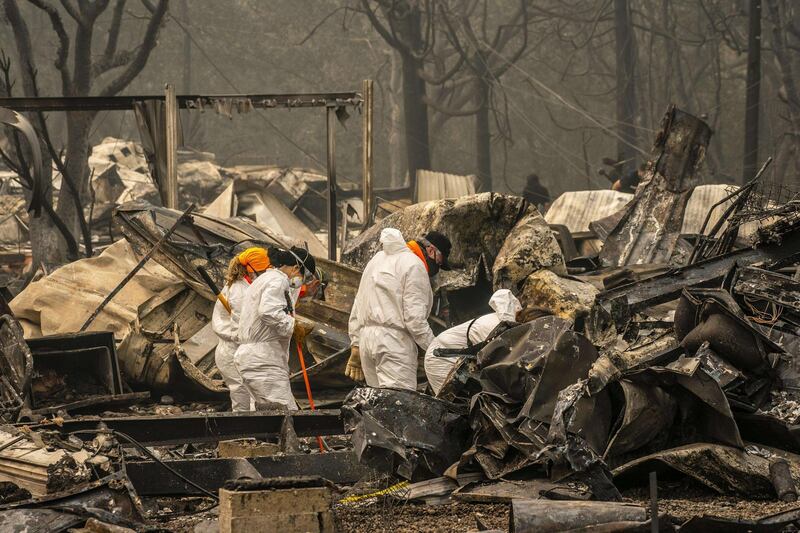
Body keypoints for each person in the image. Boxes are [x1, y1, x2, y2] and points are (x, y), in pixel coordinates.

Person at [346, 228, 452, 390]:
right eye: (439, 261)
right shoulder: (414, 265)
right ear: (431, 250)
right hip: (394, 346)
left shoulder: (377, 259)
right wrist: (436, 349)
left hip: (367, 343)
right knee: (398, 406)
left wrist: (356, 344)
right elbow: (414, 320)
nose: (437, 267)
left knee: (375, 406)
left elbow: (358, 304)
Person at [234, 246, 317, 410]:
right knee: (285, 413)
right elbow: (268, 311)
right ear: (295, 267)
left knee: (266, 415)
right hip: (263, 359)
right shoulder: (277, 281)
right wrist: (294, 326)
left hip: (256, 356)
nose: (302, 281)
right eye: (304, 276)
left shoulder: (265, 279)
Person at [424, 289, 522, 396]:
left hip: (462, 356)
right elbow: (503, 364)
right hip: (442, 357)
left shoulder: (508, 328)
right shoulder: (495, 328)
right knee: (456, 401)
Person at [211, 247, 268, 411]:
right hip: (232, 352)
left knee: (250, 396)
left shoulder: (248, 287)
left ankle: (250, 432)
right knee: (243, 397)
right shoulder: (238, 291)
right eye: (264, 269)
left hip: (240, 349)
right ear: (252, 269)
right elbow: (243, 329)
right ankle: (242, 433)